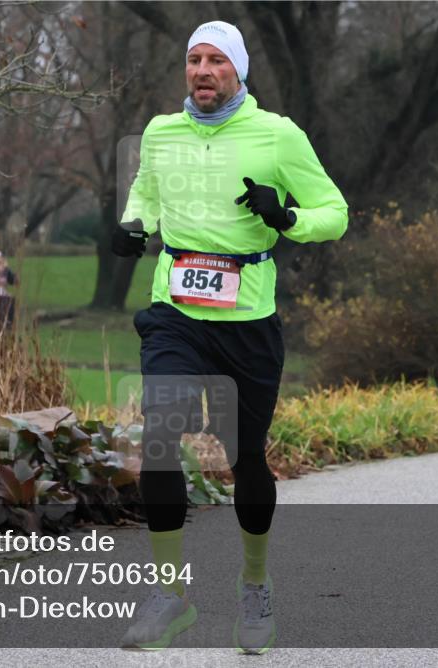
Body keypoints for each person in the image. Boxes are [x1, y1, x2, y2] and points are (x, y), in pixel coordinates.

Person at [112, 20, 348, 654]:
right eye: (194, 60)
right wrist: (135, 225)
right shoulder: (161, 133)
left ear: (238, 70)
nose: (203, 71)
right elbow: (147, 194)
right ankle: (171, 597)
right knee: (159, 437)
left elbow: (336, 213)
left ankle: (254, 586)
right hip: (175, 312)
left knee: (245, 459)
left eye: (217, 60)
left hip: (247, 321)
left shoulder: (277, 135)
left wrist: (286, 216)